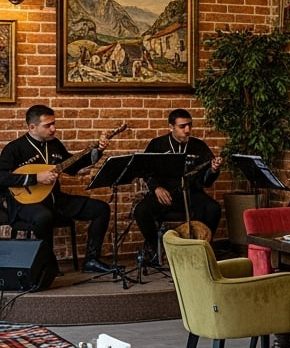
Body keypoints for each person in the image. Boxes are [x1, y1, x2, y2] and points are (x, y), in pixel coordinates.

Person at [0, 104, 116, 274]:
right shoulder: (14, 148)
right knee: (43, 217)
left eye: (53, 123)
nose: (53, 129)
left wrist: (97, 151)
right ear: (32, 127)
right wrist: (35, 178)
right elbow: (2, 177)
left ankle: (91, 260)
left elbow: (72, 166)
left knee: (101, 209)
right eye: (48, 125)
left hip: (55, 199)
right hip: (24, 204)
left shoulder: (54, 144)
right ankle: (48, 265)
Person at [134, 109, 224, 260]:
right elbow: (144, 170)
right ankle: (159, 252)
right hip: (165, 194)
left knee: (213, 209)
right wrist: (156, 187)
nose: (187, 130)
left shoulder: (199, 146)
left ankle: (200, 251)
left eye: (189, 125)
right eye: (182, 126)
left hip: (191, 193)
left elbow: (206, 181)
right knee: (141, 211)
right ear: (171, 127)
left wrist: (213, 170)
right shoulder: (157, 145)